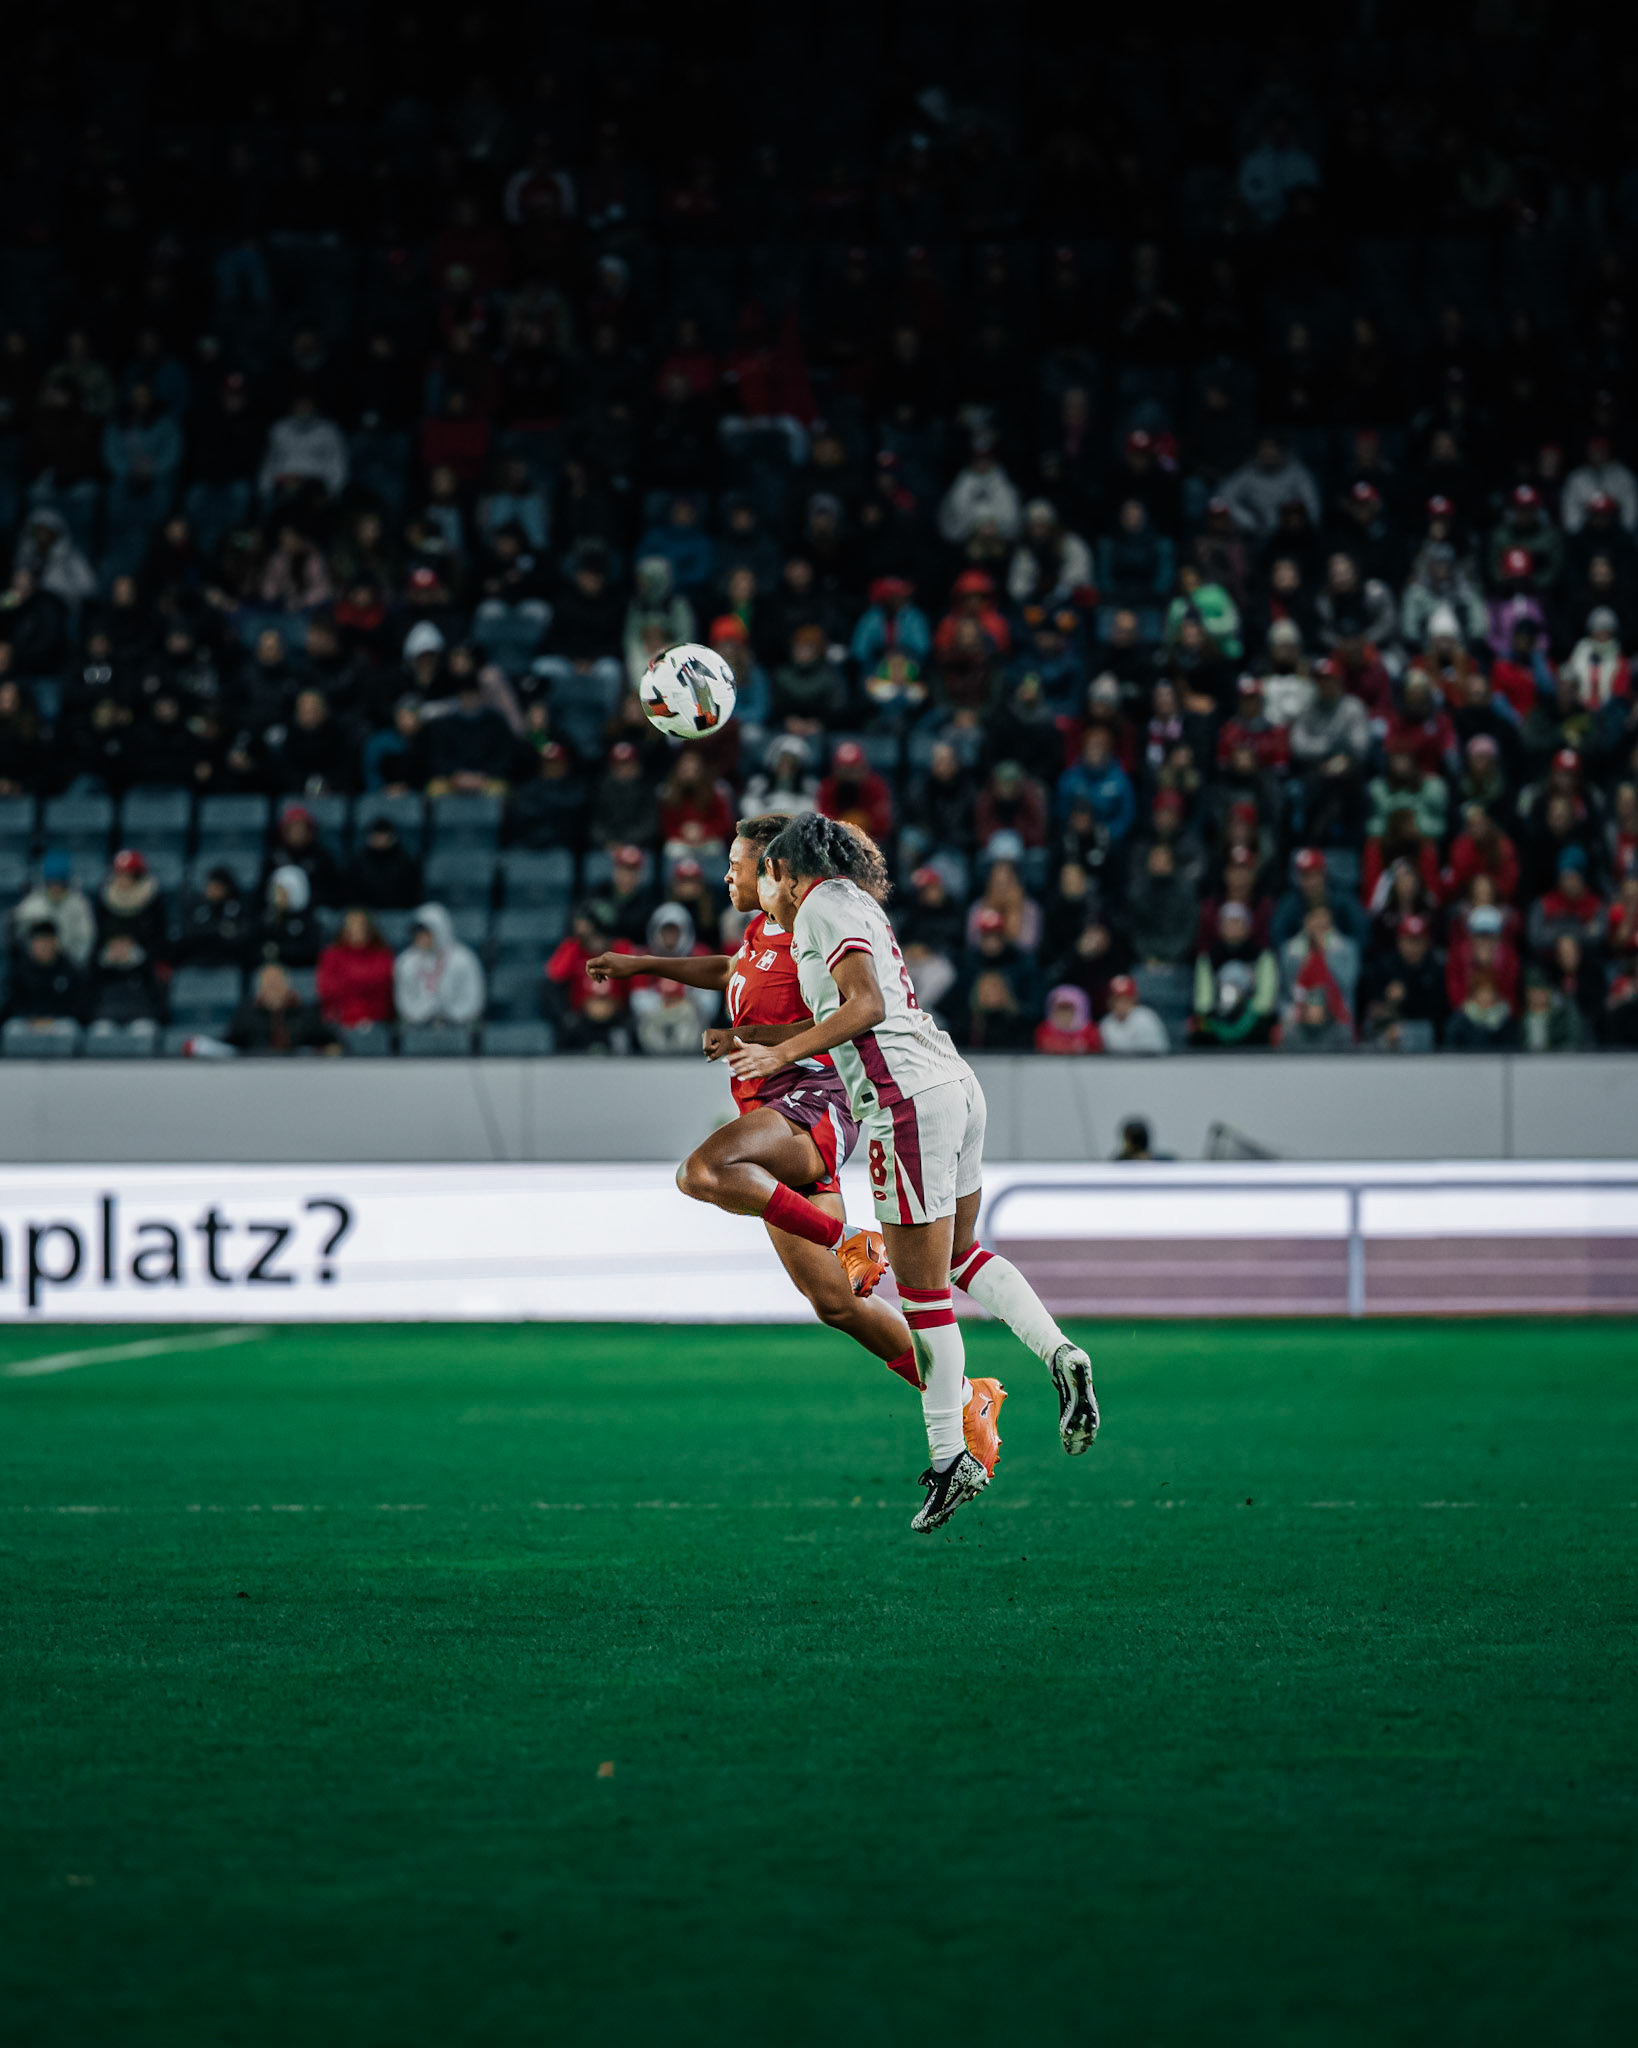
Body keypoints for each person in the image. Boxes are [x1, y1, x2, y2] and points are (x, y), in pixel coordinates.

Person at [589, 814, 1007, 1475]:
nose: (728, 875)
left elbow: (843, 1016)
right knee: (837, 1303)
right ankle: (964, 1398)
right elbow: (733, 969)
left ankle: (852, 1241)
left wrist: (754, 1038)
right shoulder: (763, 930)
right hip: (769, 1109)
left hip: (813, 1100)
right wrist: (641, 965)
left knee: (704, 1170)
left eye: (737, 864)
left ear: (773, 870)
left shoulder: (811, 927)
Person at [725, 813, 1099, 1532]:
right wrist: (765, 1036)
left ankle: (951, 1456)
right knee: (958, 1256)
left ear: (788, 874)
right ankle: (1061, 1352)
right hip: (952, 1083)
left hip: (903, 1103)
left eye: (768, 873)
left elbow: (863, 1005)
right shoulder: (855, 903)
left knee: (922, 1296)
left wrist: (778, 1055)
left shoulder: (819, 908)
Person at [394, 904, 485, 1029]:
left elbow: (473, 999)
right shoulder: (406, 962)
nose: (421, 938)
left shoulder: (464, 959)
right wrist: (424, 1013)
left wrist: (450, 1015)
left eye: (426, 933)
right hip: (417, 1028)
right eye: (418, 934)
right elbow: (404, 1001)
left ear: (440, 931)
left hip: (458, 1027)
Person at [229, 961, 340, 1055]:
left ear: (287, 985)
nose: (273, 986)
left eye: (277, 981)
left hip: (299, 1069)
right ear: (259, 988)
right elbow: (227, 1046)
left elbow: (331, 1042)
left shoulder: (306, 1014)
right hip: (257, 1069)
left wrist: (330, 1049)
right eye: (268, 983)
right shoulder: (247, 1016)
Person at [9, 849, 96, 966]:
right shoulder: (32, 903)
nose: (55, 887)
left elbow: (85, 940)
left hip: (68, 965)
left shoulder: (79, 904)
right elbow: (21, 936)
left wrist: (66, 960)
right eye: (52, 883)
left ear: (66, 882)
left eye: (59, 883)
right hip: (36, 965)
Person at [316, 909, 397, 1031]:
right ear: (343, 930)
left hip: (378, 1018)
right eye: (351, 926)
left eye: (360, 926)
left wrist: (349, 981)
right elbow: (327, 989)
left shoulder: (383, 955)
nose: (356, 930)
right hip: (340, 1020)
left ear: (370, 929)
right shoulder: (331, 955)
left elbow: (383, 983)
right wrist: (364, 983)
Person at [1100, 972, 1171, 1054]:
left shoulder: (1146, 1019)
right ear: (1109, 1001)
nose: (1121, 1004)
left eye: (1126, 999)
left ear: (1134, 1000)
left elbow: (1155, 1054)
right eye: (1117, 1000)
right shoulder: (1106, 1023)